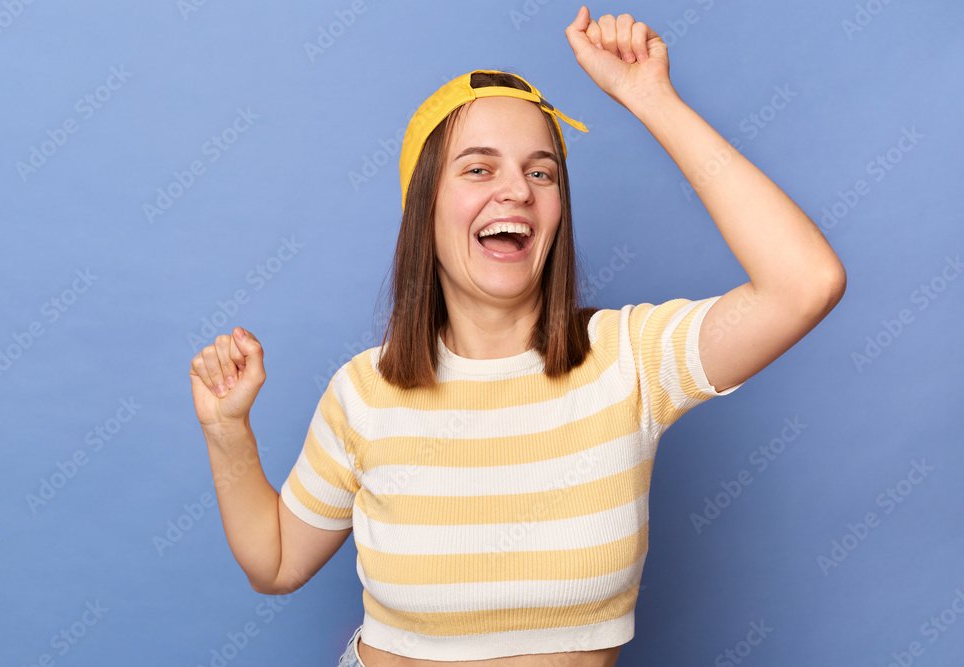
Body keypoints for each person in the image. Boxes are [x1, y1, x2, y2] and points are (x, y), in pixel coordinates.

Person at [188, 7, 846, 666]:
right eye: (478, 169)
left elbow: (804, 283)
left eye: (542, 171)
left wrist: (650, 98)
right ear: (425, 209)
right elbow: (275, 563)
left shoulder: (632, 361)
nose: (518, 191)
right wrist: (227, 430)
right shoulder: (365, 392)